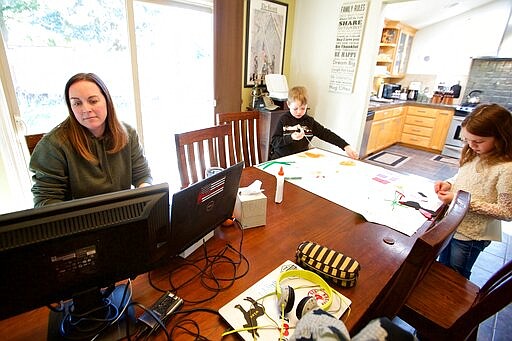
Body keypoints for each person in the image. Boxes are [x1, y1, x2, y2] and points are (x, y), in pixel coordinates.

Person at [30, 72, 152, 207]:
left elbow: (142, 176)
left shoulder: (128, 133)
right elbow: (45, 201)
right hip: (78, 222)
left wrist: (144, 194)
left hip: (123, 215)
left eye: (93, 101)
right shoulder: (52, 146)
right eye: (77, 103)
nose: (86, 109)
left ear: (107, 100)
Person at [434, 103, 512, 279]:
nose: (471, 145)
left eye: (478, 141)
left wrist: (459, 200)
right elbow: (464, 178)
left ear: (501, 137)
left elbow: (507, 212)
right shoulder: (475, 153)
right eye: (467, 140)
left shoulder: (506, 169)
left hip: (472, 235)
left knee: (455, 275)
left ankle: (451, 304)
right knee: (442, 267)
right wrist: (449, 183)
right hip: (453, 223)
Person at [270, 86, 358, 160]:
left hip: (299, 160)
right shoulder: (283, 120)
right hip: (281, 159)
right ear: (288, 105)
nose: (299, 112)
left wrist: (345, 146)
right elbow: (274, 142)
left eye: (303, 108)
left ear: (306, 106)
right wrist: (291, 137)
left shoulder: (309, 122)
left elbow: (326, 134)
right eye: (295, 109)